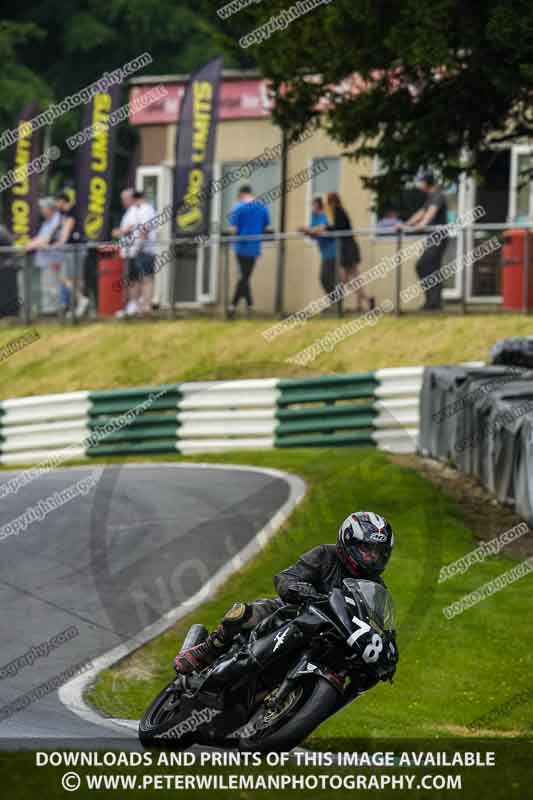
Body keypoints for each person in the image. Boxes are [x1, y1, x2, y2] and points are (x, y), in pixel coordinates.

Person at [174, 511, 397, 675]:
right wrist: (299, 589)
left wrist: (387, 652)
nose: (372, 558)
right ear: (348, 541)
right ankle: (206, 651)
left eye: (379, 553)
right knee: (242, 612)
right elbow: (286, 577)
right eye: (366, 550)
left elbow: (380, 626)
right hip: (292, 611)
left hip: (330, 637)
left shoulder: (375, 587)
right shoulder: (325, 555)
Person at [402, 172, 449, 311]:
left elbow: (430, 214)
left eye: (421, 182)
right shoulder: (430, 197)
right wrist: (405, 225)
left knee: (424, 265)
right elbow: (420, 213)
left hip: (439, 237)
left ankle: (434, 302)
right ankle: (433, 302)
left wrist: (422, 224)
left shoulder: (438, 196)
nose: (419, 185)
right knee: (430, 267)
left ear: (427, 182)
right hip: (433, 237)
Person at [325, 192, 374, 312]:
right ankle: (362, 303)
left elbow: (338, 228)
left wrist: (326, 228)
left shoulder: (338, 212)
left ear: (331, 202)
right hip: (349, 246)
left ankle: (366, 299)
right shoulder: (341, 211)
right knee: (353, 277)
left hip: (347, 248)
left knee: (346, 279)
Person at [227, 184, 270, 318]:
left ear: (241, 194)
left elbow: (233, 229)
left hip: (241, 247)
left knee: (244, 277)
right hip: (255, 247)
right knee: (245, 276)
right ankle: (249, 306)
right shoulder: (262, 207)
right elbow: (265, 224)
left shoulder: (238, 207)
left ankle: (233, 306)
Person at [113, 189, 157, 318]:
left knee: (146, 278)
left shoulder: (146, 209)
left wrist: (139, 246)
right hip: (133, 251)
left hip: (143, 250)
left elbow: (144, 230)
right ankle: (135, 306)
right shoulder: (135, 210)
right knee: (134, 280)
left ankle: (146, 306)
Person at [25, 198, 63, 314]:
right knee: (47, 286)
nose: (41, 210)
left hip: (54, 259)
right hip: (45, 261)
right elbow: (40, 237)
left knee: (53, 287)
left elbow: (47, 238)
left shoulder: (57, 219)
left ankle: (53, 312)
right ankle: (49, 311)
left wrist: (31, 245)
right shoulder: (47, 221)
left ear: (50, 208)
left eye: (43, 208)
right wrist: (30, 244)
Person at [55, 192, 89, 318]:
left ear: (62, 201)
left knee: (68, 278)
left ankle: (81, 301)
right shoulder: (64, 213)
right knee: (75, 279)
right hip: (74, 249)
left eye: (57, 202)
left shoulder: (72, 211)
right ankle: (79, 306)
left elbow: (67, 229)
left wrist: (59, 243)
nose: (56, 205)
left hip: (75, 249)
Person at [299, 196, 337, 297]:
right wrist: (306, 231)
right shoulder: (314, 218)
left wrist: (307, 230)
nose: (312, 208)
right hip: (325, 253)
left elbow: (321, 229)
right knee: (326, 279)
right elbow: (312, 233)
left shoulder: (324, 216)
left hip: (332, 252)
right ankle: (335, 300)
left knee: (326, 278)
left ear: (318, 205)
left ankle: (336, 300)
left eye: (313, 205)